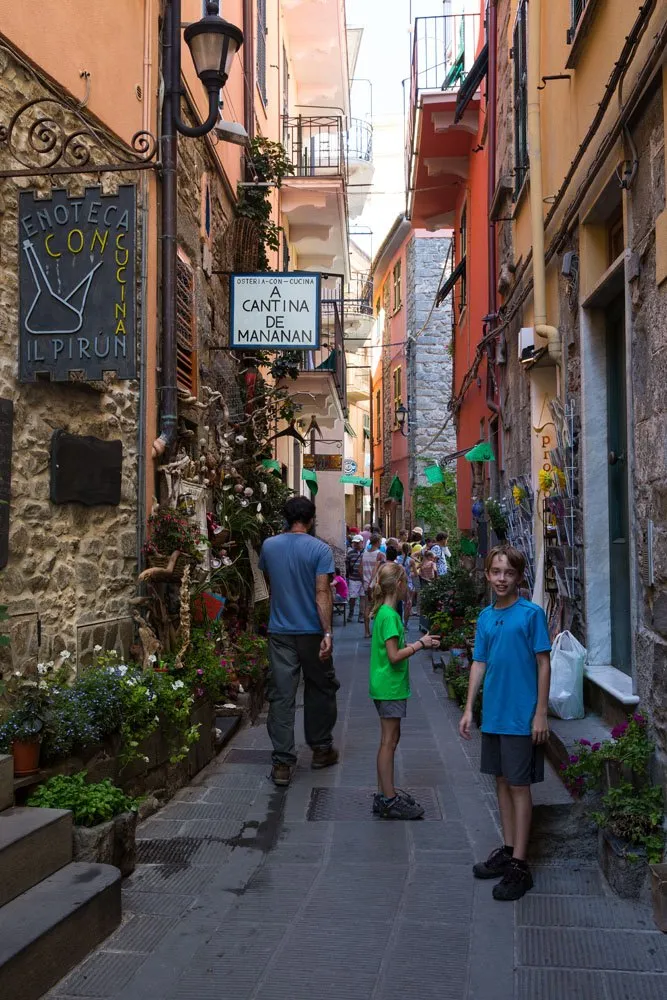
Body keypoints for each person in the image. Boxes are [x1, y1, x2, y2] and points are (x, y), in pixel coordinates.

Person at [459, 544, 552, 901]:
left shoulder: (531, 614)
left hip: (520, 715)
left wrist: (540, 712)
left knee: (518, 785)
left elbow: (543, 663)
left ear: (519, 577)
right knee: (500, 780)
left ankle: (520, 865)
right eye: (496, 572)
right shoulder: (485, 617)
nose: (502, 579)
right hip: (495, 714)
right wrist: (469, 708)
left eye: (508, 573)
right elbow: (479, 662)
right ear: (487, 575)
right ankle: (509, 848)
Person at [258, 496, 340, 787]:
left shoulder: (269, 546)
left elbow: (271, 580)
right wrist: (327, 632)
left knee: (282, 694)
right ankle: (321, 749)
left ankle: (282, 763)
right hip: (312, 632)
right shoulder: (320, 550)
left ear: (286, 518)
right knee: (321, 688)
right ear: (311, 519)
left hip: (280, 631)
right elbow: (322, 592)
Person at [369, 562, 440, 819]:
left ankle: (384, 793)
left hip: (387, 685)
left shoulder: (384, 613)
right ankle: (388, 799)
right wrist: (420, 644)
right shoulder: (390, 616)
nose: (408, 587)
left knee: (390, 739)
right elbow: (394, 655)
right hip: (389, 686)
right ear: (398, 584)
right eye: (406, 582)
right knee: (389, 741)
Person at [361, 532, 385, 638]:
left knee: (367, 607)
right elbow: (383, 569)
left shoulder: (364, 553)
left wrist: (364, 581)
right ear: (378, 542)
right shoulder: (380, 554)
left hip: (366, 584)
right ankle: (378, 632)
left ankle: (366, 632)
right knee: (378, 606)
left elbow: (360, 569)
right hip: (376, 584)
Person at [346, 534, 365, 622]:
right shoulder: (350, 553)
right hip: (353, 578)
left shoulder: (366, 553)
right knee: (352, 597)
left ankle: (361, 615)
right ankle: (351, 612)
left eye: (358, 543)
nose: (356, 544)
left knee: (362, 597)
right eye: (355, 543)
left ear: (362, 542)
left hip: (363, 579)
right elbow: (347, 565)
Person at [396, 542, 416, 625]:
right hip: (408, 583)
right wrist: (410, 574)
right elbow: (415, 573)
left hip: (399, 583)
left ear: (401, 549)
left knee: (398, 603)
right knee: (408, 604)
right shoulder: (411, 560)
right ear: (410, 550)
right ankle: (405, 624)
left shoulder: (397, 559)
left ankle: (399, 621)